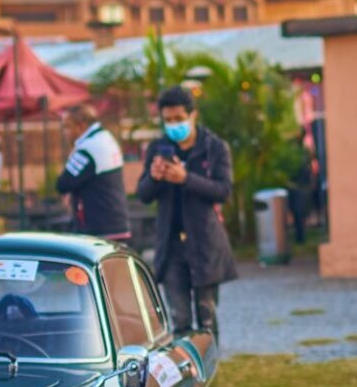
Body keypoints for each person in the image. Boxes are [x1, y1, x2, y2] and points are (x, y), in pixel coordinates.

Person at [136, 87, 238, 338]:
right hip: (171, 246)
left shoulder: (214, 147)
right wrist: (154, 177)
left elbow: (223, 191)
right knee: (179, 320)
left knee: (206, 319)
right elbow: (143, 194)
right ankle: (185, 374)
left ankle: (209, 372)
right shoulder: (158, 148)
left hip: (205, 243)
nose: (174, 125)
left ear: (193, 115)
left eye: (179, 119)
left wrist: (185, 178)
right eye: (168, 120)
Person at [54, 101, 130, 240]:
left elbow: (63, 184)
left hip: (98, 228)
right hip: (116, 223)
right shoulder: (106, 138)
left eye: (67, 127)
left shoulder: (88, 149)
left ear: (81, 126)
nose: (65, 133)